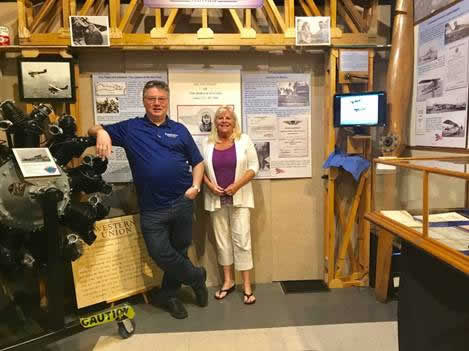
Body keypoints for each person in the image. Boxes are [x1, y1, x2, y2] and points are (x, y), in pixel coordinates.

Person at [88, 80, 207, 319]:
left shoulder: (180, 130)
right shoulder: (131, 129)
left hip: (182, 202)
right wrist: (101, 132)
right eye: (151, 99)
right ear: (144, 101)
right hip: (152, 208)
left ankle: (171, 296)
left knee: (180, 250)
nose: (156, 103)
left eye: (161, 99)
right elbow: (92, 128)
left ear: (167, 101)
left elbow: (198, 162)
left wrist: (194, 187)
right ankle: (196, 277)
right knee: (160, 252)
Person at [202, 106, 259, 305]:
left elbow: (254, 167)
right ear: (215, 122)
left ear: (234, 121)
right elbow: (200, 169)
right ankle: (228, 281)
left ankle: (246, 284)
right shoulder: (207, 143)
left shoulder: (244, 140)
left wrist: (236, 186)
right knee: (222, 240)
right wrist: (210, 187)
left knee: (242, 240)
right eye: (220, 118)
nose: (224, 120)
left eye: (228, 117)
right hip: (216, 199)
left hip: (240, 198)